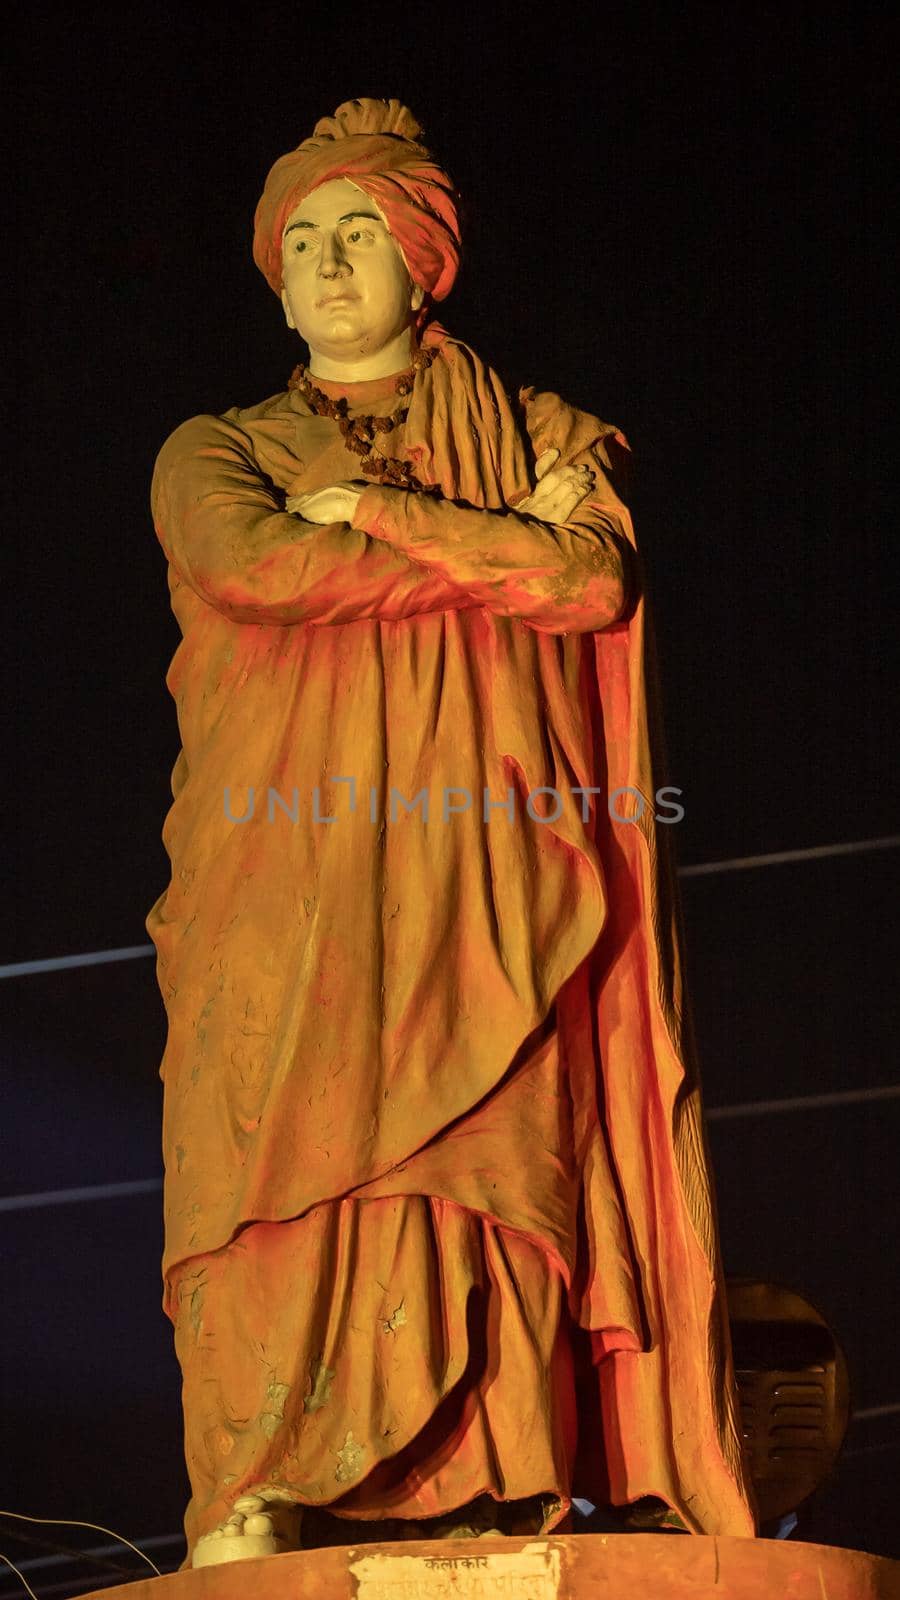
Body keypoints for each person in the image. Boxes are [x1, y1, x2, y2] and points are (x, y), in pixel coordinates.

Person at [147, 97, 757, 1568]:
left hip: (493, 884)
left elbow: (591, 588)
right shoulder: (210, 450)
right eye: (300, 238)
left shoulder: (540, 429)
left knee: (487, 1159)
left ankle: (498, 1469)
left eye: (358, 230)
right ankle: (262, 1477)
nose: (327, 261)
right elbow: (270, 571)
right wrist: (490, 542)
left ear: (425, 262)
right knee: (268, 1167)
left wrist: (380, 504)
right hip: (278, 883)